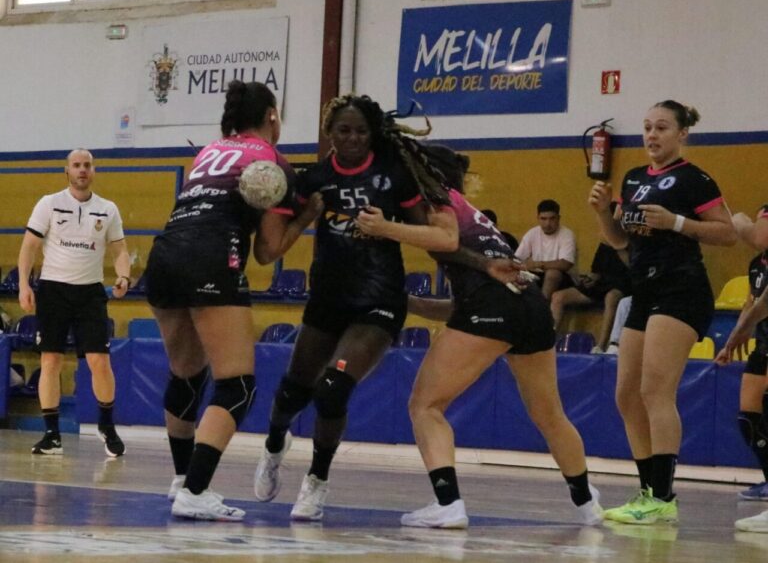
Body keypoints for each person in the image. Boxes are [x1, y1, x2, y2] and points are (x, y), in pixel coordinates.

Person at [357, 145, 603, 529]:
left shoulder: (435, 198)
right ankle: (587, 502)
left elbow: (446, 242)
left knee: (425, 405)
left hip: (492, 307)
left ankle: (448, 503)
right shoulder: (465, 207)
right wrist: (408, 302)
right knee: (550, 415)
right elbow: (468, 306)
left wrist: (384, 227)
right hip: (529, 305)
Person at [252, 94, 458, 522]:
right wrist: (305, 214)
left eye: (361, 131)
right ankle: (274, 445)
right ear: (329, 132)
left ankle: (317, 482)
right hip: (328, 299)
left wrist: (388, 228)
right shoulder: (314, 179)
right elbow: (276, 244)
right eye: (343, 130)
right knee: (293, 392)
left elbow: (428, 232)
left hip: (379, 302)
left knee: (333, 389)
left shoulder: (393, 176)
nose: (352, 138)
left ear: (372, 134)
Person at [145, 80, 322, 522]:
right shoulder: (271, 162)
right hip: (210, 254)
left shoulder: (208, 151)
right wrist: (306, 216)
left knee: (186, 375)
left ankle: (183, 479)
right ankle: (197, 490)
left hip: (164, 253)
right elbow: (266, 250)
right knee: (237, 385)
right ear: (272, 117)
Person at [588, 99, 737, 524]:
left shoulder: (695, 179)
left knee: (655, 391)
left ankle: (664, 496)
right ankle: (647, 492)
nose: (652, 135)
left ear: (682, 134)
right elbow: (620, 243)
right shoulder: (633, 179)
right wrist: (602, 212)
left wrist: (675, 223)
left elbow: (727, 234)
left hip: (682, 290)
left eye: (663, 128)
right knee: (625, 394)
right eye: (648, 127)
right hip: (644, 289)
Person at [18, 149, 131, 457]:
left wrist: (123, 277)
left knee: (99, 361)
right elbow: (29, 246)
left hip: (90, 293)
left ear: (93, 171)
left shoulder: (108, 209)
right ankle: (52, 434)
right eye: (77, 165)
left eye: (87, 165)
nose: (82, 170)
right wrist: (24, 284)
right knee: (50, 361)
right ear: (66, 171)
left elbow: (120, 250)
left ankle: (107, 426)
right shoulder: (49, 203)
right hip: (54, 291)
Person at [715, 205, 768, 533]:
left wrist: (737, 335)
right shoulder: (755, 266)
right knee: (750, 420)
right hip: (763, 346)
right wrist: (731, 342)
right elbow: (753, 304)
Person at [550, 207, 631, 353]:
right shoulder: (604, 243)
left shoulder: (630, 240)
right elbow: (596, 271)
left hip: (623, 285)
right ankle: (548, 343)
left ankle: (601, 346)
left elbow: (633, 267)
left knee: (611, 297)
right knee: (558, 297)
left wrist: (617, 246)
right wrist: (590, 279)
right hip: (601, 284)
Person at [515, 199, 577, 300]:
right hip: (538, 276)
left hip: (564, 279)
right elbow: (516, 259)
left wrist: (538, 264)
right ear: (538, 218)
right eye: (543, 219)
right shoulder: (532, 233)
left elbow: (565, 264)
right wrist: (525, 266)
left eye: (552, 219)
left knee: (553, 273)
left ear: (559, 218)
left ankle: (541, 309)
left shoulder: (567, 234)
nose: (547, 223)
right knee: (518, 275)